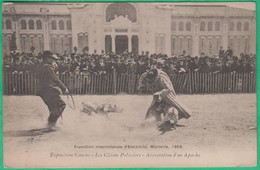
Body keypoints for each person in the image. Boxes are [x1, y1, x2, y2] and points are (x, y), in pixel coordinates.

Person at [36, 51, 70, 129]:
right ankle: (51, 123)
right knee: (61, 105)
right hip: (49, 90)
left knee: (53, 108)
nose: (53, 60)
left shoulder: (40, 66)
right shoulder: (48, 67)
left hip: (42, 91)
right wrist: (64, 88)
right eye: (52, 59)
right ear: (47, 58)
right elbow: (55, 79)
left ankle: (52, 124)